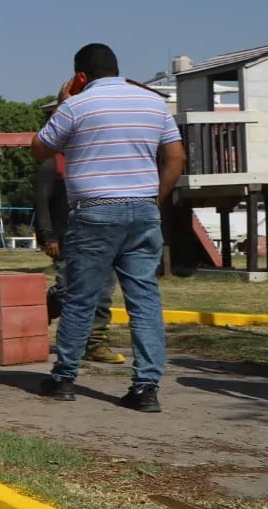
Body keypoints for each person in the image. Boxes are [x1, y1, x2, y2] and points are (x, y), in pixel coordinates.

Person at [31, 43, 185, 412]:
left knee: (81, 298)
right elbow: (176, 157)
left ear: (80, 76)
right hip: (143, 212)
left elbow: (39, 150)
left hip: (95, 212)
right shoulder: (153, 104)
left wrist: (63, 100)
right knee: (144, 300)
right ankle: (146, 388)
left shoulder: (76, 105)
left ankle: (64, 378)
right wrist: (152, 201)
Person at [34, 139, 123, 365]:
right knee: (67, 290)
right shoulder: (54, 164)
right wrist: (47, 237)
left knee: (103, 290)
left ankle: (96, 343)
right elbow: (41, 203)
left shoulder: (100, 163)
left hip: (102, 236)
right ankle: (49, 303)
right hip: (65, 239)